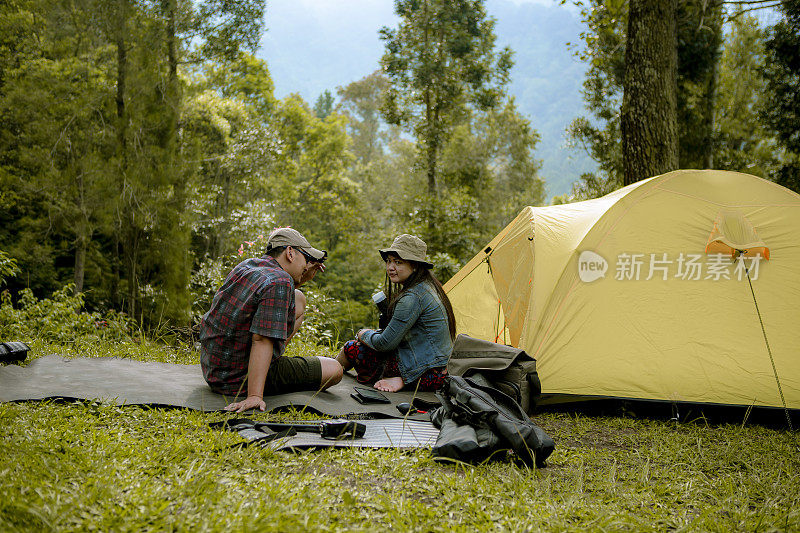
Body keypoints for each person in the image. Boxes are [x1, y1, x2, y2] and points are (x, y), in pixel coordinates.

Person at [200, 227, 343, 413]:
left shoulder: (249, 265)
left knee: (298, 298)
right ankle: (261, 377)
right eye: (306, 259)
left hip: (215, 370)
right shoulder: (279, 282)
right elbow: (261, 340)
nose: (307, 265)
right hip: (236, 379)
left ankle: (269, 362)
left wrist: (305, 275)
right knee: (335, 369)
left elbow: (287, 295)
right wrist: (254, 396)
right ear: (290, 253)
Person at [336, 234, 456, 392]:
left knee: (352, 348)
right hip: (439, 369)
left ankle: (326, 374)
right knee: (365, 344)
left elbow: (385, 344)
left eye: (398, 262)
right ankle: (330, 370)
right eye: (389, 261)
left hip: (428, 373)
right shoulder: (427, 286)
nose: (390, 267)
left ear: (415, 266)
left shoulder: (412, 297)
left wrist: (362, 333)